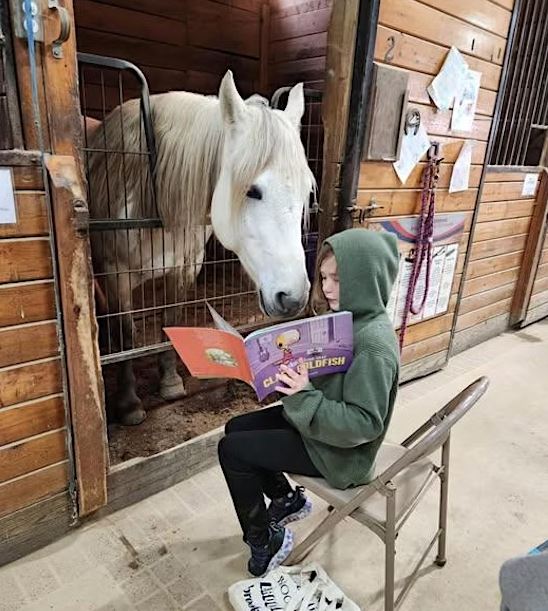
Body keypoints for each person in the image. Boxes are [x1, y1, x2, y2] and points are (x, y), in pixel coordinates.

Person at [217, 228, 400, 577]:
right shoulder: (350, 320)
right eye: (324, 277)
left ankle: (263, 541)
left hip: (342, 456)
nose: (327, 287)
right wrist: (283, 372)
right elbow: (334, 380)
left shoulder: (373, 345)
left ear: (367, 279)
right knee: (235, 427)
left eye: (338, 279)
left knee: (232, 450)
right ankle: (288, 499)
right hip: (321, 428)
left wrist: (302, 393)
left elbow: (363, 425)